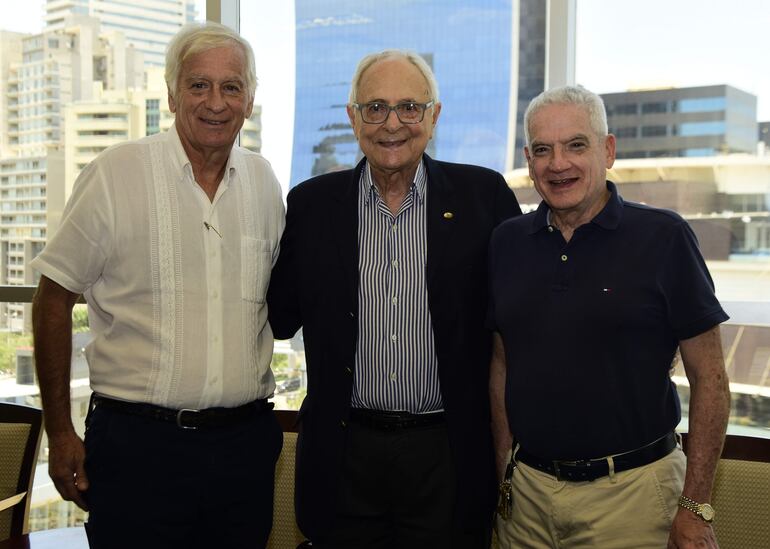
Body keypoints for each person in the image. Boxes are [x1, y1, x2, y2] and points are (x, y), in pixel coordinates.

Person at [30, 22, 284, 549]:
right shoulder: (114, 174)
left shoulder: (264, 183)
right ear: (171, 95)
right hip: (136, 448)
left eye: (231, 87)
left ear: (250, 100)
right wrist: (59, 430)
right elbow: (53, 298)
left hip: (245, 450)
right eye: (198, 85)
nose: (215, 102)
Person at [267, 49, 521, 548]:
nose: (392, 124)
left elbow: (524, 314)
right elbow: (276, 314)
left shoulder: (483, 197)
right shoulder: (311, 205)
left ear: (434, 115)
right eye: (375, 107)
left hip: (446, 454)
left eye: (410, 107)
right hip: (344, 454)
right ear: (352, 117)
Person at [488, 85, 731, 549]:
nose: (559, 164)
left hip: (634, 497)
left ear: (608, 150)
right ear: (528, 159)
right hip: (528, 502)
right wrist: (505, 475)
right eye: (543, 150)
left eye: (576, 145)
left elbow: (712, 378)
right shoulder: (506, 243)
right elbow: (502, 364)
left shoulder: (665, 237)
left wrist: (695, 506)